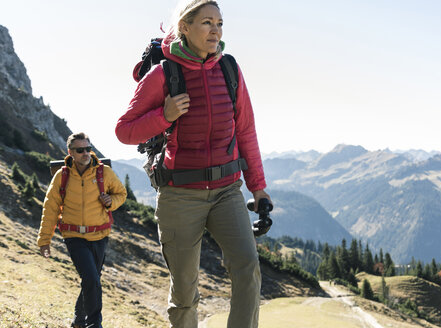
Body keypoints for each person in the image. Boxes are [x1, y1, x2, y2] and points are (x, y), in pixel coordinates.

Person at [115, 1, 271, 327]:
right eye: (206, 23)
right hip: (180, 194)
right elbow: (124, 130)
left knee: (248, 269)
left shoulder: (229, 69)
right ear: (185, 28)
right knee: (185, 294)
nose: (215, 30)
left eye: (219, 23)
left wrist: (258, 189)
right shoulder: (163, 74)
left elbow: (245, 131)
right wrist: (164, 116)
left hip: (228, 191)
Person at [37, 132, 127, 328]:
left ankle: (78, 322)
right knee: (91, 279)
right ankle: (94, 324)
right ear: (70, 152)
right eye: (80, 150)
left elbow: (121, 193)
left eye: (88, 148)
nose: (86, 153)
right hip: (74, 236)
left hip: (100, 235)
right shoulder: (62, 176)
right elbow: (50, 208)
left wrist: (111, 201)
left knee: (91, 281)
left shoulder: (105, 173)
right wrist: (44, 240)